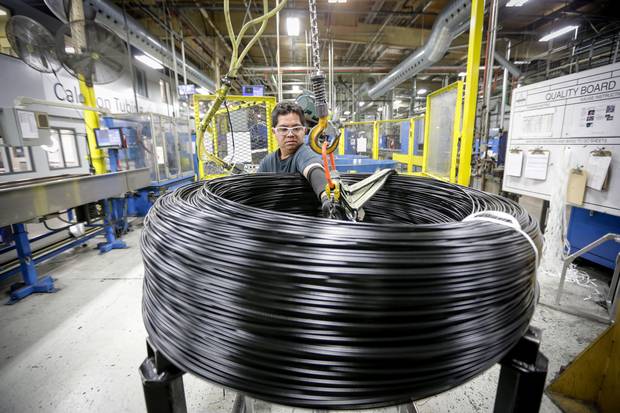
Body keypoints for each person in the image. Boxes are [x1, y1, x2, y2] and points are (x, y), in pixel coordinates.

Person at [258, 101, 338, 217]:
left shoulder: (302, 153)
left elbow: (313, 169)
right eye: (283, 129)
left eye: (296, 128)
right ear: (273, 132)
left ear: (304, 131)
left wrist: (326, 198)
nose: (290, 134)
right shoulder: (267, 162)